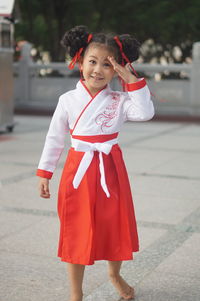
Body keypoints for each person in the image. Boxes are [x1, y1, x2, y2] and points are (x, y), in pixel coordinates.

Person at [36, 25, 155, 301]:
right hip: (78, 168)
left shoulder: (120, 100)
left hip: (110, 168)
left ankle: (114, 275)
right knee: (76, 230)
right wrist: (45, 172)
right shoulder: (67, 100)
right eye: (92, 61)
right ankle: (75, 294)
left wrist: (131, 79)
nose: (98, 70)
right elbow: (54, 138)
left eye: (107, 64)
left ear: (117, 70)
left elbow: (146, 112)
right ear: (79, 61)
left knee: (114, 225)